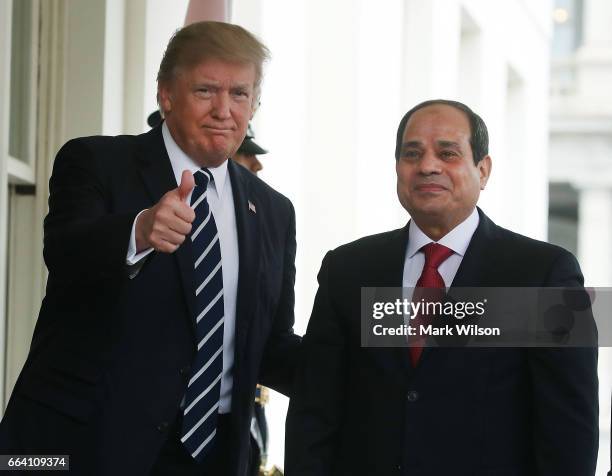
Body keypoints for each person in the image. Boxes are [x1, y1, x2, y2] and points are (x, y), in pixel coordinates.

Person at [0, 21, 300, 476]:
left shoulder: (274, 211)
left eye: (239, 94)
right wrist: (138, 231)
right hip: (80, 450)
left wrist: (375, 358)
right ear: (165, 95)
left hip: (212, 456)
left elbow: (270, 345)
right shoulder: (95, 161)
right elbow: (65, 255)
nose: (224, 110)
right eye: (205, 91)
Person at [285, 99, 599, 475]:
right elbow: (314, 412)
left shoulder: (546, 272)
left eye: (447, 153)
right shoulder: (348, 269)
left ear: (483, 170)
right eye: (411, 153)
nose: (427, 166)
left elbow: (569, 429)